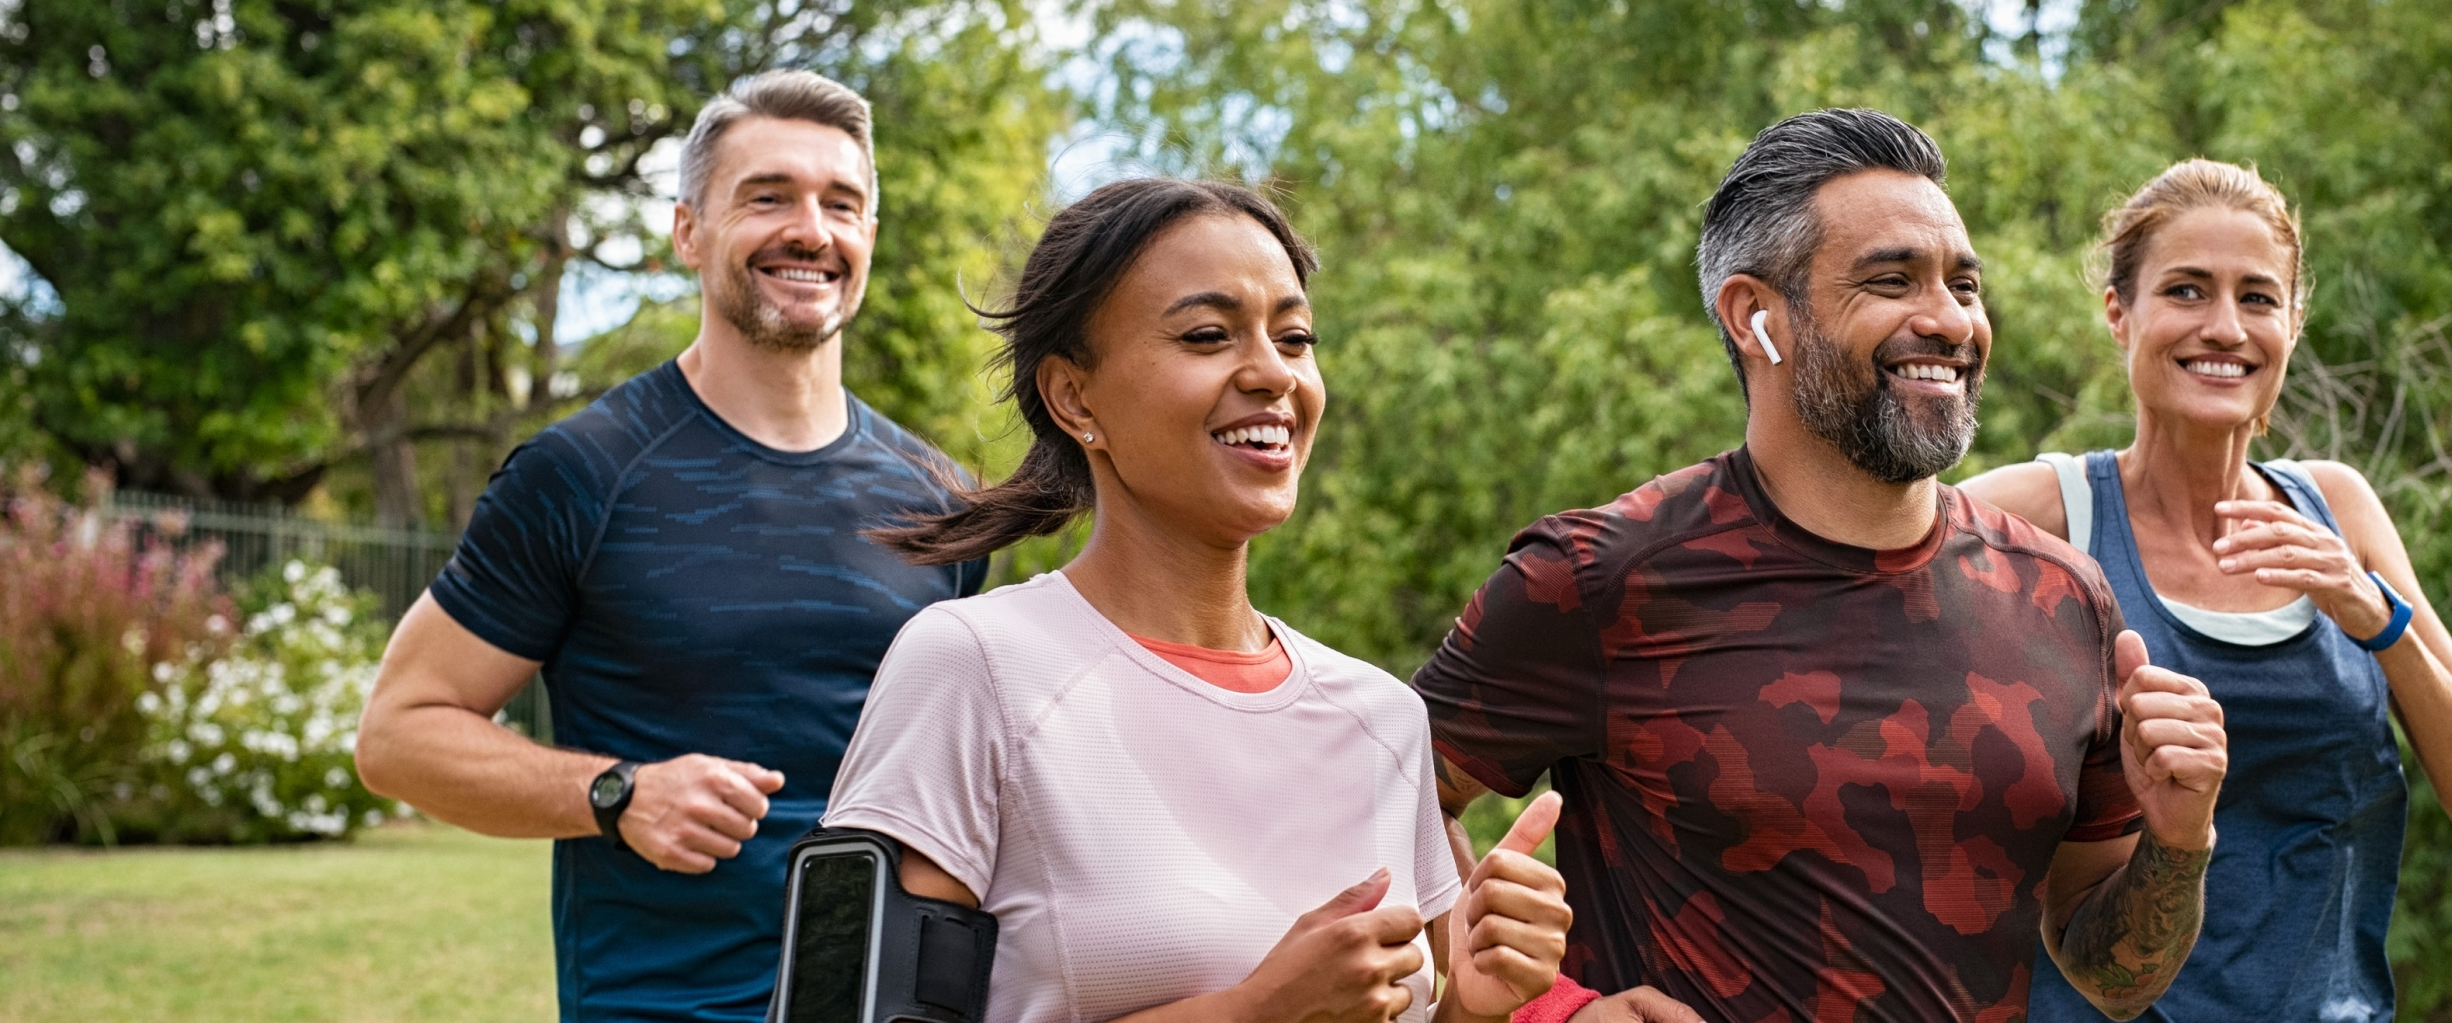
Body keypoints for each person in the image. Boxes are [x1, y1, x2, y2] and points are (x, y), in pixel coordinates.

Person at [1416, 109, 2232, 1023]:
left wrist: (2179, 839)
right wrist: (1546, 1009)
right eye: (1892, 280)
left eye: (1964, 285)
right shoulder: (1596, 579)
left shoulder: (2063, 597)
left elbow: (2113, 979)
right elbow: (1378, 803)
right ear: (1754, 316)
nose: (1949, 320)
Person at [817, 177, 1575, 1023]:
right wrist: (1254, 1012)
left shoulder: (1383, 720)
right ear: (1074, 396)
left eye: (1294, 337)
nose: (1273, 373)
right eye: (1208, 335)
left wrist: (1471, 1007)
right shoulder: (973, 666)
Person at [353, 70, 988, 1022]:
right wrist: (617, 793)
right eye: (768, 197)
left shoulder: (941, 500)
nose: (811, 230)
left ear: (868, 236)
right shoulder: (582, 472)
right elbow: (399, 735)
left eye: (841, 203)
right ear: (688, 231)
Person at [1956, 159, 2452, 1022]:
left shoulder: (2339, 508)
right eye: (2186, 290)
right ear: (2119, 312)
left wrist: (2375, 616)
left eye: (2257, 298)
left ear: (2292, 324)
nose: (2224, 327)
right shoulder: (2040, 515)